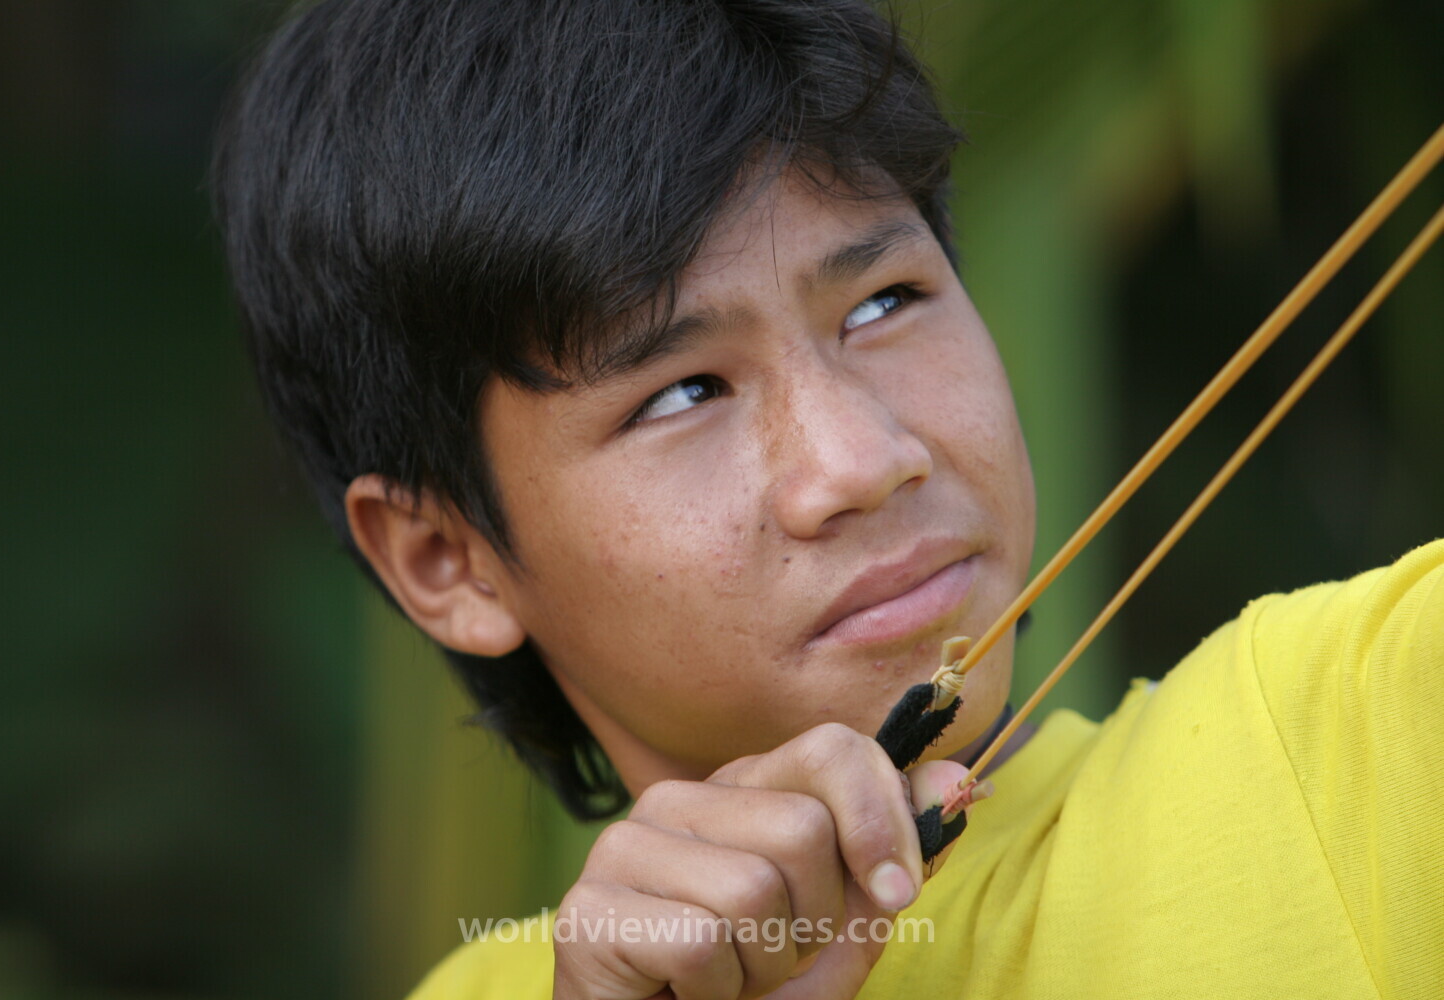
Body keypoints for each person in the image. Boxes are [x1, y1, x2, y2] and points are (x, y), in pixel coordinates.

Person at [211, 0, 1444, 997]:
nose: (863, 458)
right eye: (683, 392)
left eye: (883, 304)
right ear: (445, 560)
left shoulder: (1362, 729)